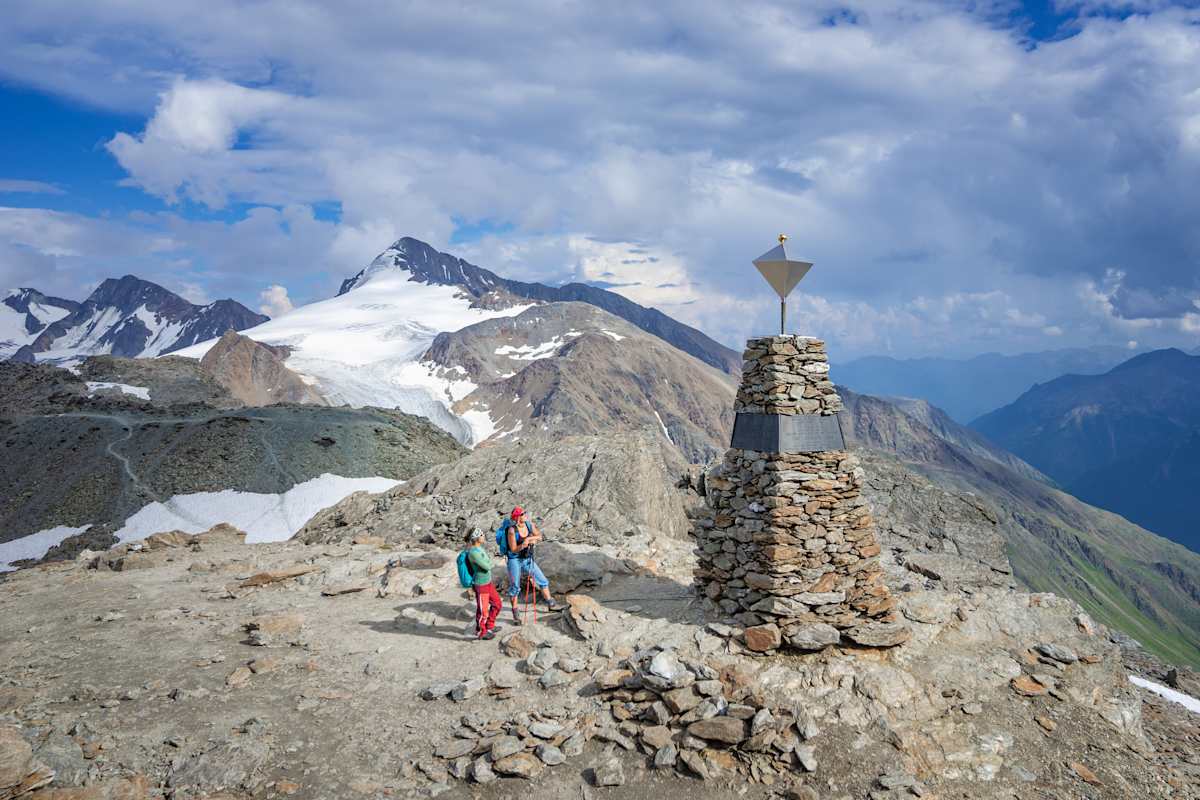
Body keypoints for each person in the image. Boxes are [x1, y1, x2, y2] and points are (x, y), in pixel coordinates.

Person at [499, 506, 560, 624]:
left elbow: (540, 536)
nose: (525, 514)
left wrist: (530, 538)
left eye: (525, 512)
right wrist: (524, 544)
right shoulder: (512, 530)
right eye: (522, 514)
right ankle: (515, 612)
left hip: (527, 558)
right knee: (515, 587)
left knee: (542, 580)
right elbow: (513, 549)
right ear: (517, 517)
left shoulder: (528, 524)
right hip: (514, 559)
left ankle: (550, 603)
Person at [464, 528, 501, 640]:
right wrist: (489, 562)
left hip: (488, 582)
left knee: (497, 604)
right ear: (476, 538)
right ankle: (481, 631)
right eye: (482, 535)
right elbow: (487, 566)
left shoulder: (480, 549)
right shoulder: (473, 553)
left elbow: (488, 562)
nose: (484, 537)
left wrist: (488, 561)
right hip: (480, 584)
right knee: (483, 610)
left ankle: (490, 625)